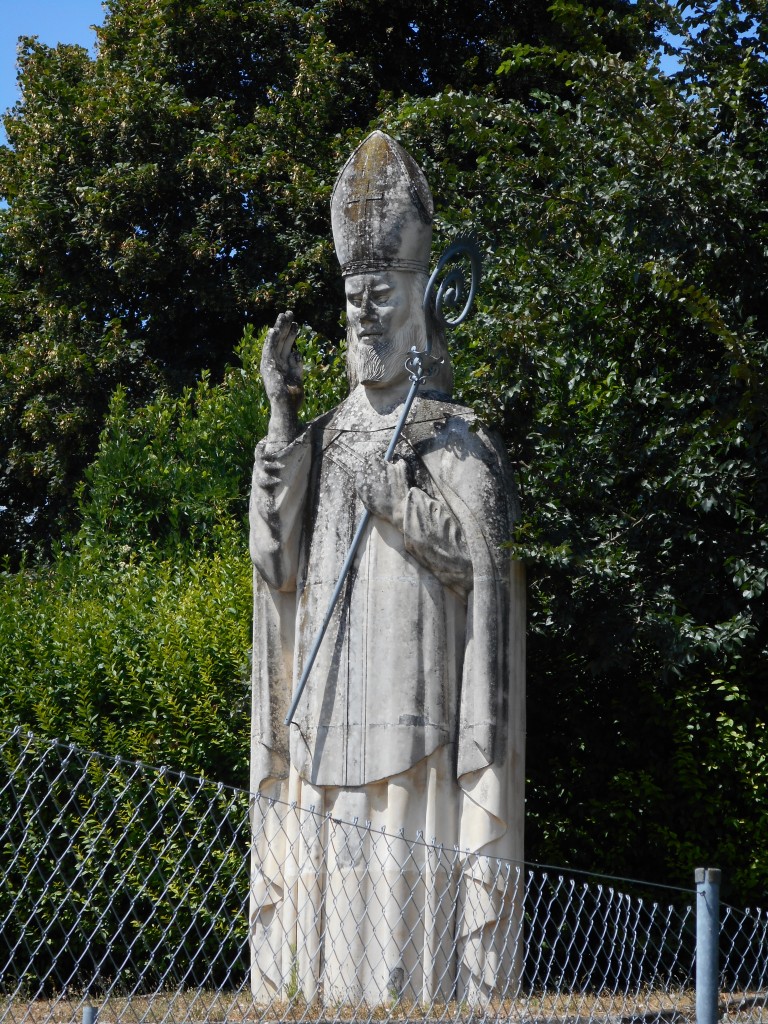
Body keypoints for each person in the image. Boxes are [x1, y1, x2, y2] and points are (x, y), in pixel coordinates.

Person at [249, 131, 525, 1006]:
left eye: (380, 294)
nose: (364, 313)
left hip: (417, 707)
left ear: (417, 299)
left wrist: (390, 490)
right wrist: (282, 420)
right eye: (354, 298)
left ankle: (423, 994)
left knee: (405, 855)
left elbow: (476, 560)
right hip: (330, 705)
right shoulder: (323, 438)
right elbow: (277, 561)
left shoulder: (453, 433)